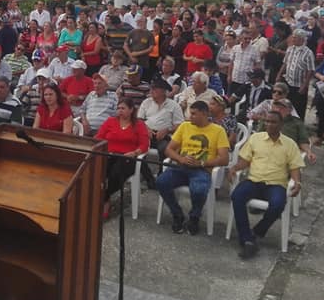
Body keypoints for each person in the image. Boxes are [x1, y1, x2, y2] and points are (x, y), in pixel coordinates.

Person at [229, 111, 304, 259]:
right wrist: (235, 168)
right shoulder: (255, 138)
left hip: (276, 184)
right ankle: (247, 238)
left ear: (280, 125)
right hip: (254, 181)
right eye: (267, 122)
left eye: (273, 122)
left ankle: (256, 232)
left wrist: (297, 182)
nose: (269, 125)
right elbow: (245, 161)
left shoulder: (289, 144)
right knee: (237, 196)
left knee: (277, 204)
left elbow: (295, 168)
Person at [156, 101, 230, 235]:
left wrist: (201, 163)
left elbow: (224, 159)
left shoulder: (218, 131)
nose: (190, 117)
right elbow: (169, 149)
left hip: (201, 170)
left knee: (199, 190)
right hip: (181, 167)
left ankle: (194, 217)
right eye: (190, 114)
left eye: (194, 114)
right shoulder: (185, 126)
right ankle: (177, 214)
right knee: (161, 182)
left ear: (205, 114)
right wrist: (180, 159)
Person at [95, 98, 150, 218]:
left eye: (123, 108)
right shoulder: (110, 121)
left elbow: (144, 145)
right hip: (109, 154)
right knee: (96, 170)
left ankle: (104, 198)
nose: (120, 111)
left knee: (116, 173)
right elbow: (98, 138)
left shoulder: (139, 124)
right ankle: (104, 198)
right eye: (118, 108)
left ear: (131, 110)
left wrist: (135, 152)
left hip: (128, 157)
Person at [137, 78, 185, 156]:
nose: (151, 91)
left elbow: (180, 125)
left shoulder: (174, 105)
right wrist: (146, 129)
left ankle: (162, 168)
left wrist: (167, 130)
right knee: (131, 143)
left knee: (165, 149)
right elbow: (139, 120)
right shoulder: (146, 102)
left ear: (163, 91)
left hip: (163, 136)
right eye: (151, 89)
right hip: (146, 134)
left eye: (155, 89)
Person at [277, 29, 315, 118]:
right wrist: (278, 75)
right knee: (286, 105)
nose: (292, 39)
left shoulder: (308, 53)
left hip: (299, 85)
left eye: (295, 38)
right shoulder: (290, 49)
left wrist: (304, 85)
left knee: (298, 108)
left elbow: (310, 70)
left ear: (301, 39)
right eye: (292, 37)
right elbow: (285, 63)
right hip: (288, 82)